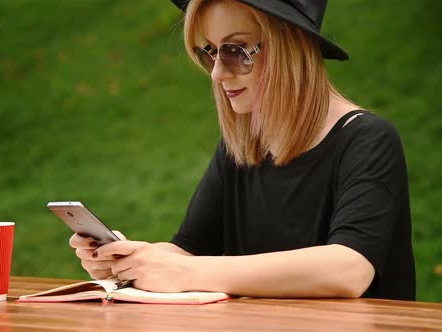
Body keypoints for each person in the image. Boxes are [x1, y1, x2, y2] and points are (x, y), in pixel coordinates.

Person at [69, 0, 416, 300]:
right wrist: (129, 260)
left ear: (289, 47)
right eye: (211, 51)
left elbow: (349, 270)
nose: (218, 73)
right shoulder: (242, 146)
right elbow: (188, 251)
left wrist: (186, 271)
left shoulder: (368, 140)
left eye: (236, 51)